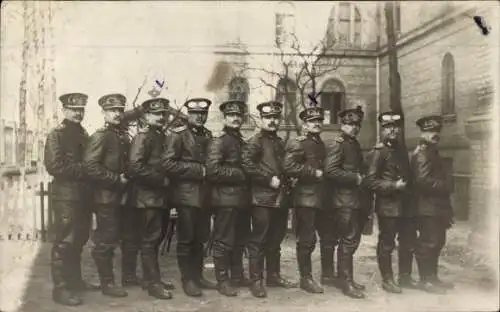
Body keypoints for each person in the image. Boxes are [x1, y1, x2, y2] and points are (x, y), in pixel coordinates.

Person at [43, 92, 100, 306]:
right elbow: (54, 166)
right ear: (64, 110)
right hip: (66, 196)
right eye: (74, 109)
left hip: (83, 197)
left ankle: (75, 282)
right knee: (64, 242)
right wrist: (84, 170)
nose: (78, 113)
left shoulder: (84, 134)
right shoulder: (56, 135)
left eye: (81, 109)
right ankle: (61, 289)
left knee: (79, 241)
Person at [161, 98, 217, 297]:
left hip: (205, 197)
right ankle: (188, 280)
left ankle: (198, 276)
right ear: (188, 114)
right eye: (195, 114)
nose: (199, 117)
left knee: (201, 238)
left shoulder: (208, 135)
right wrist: (196, 170)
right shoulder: (178, 136)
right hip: (186, 196)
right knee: (186, 239)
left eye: (203, 114)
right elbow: (167, 164)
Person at [242, 101, 296, 298]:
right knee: (258, 240)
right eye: (268, 117)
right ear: (261, 119)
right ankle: (256, 281)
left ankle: (273, 276)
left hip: (279, 198)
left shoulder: (279, 142)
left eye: (275, 117)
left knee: (275, 239)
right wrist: (266, 179)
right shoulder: (255, 141)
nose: (272, 121)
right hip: (262, 199)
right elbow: (246, 164)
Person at [83, 93, 132, 298]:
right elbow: (90, 166)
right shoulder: (101, 135)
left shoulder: (121, 135)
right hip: (105, 197)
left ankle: (118, 279)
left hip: (120, 197)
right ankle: (107, 282)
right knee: (105, 240)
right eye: (113, 110)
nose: (117, 114)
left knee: (117, 238)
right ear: (104, 112)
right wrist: (115, 179)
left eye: (120, 110)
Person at [127, 98, 173, 300]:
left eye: (163, 114)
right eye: (156, 114)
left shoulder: (162, 137)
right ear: (145, 116)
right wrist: (160, 180)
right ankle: (153, 283)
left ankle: (150, 278)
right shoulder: (142, 137)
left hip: (160, 198)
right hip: (147, 198)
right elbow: (134, 167)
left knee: (155, 239)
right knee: (150, 240)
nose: (161, 117)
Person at [365, 111, 415, 294]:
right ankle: (387, 279)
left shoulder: (402, 151)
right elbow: (370, 181)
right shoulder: (379, 152)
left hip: (406, 206)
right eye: (388, 127)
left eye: (395, 126)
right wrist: (394, 185)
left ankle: (405, 277)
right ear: (382, 130)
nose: (392, 130)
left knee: (408, 241)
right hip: (388, 207)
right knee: (387, 243)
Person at [206, 100, 251, 297]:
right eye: (231, 115)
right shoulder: (219, 140)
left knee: (240, 239)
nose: (235, 118)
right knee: (223, 241)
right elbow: (212, 171)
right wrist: (240, 174)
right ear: (224, 118)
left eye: (239, 115)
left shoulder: (240, 140)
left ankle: (237, 275)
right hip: (225, 200)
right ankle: (222, 280)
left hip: (241, 200)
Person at [324, 106, 367, 299]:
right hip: (343, 200)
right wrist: (354, 178)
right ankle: (346, 282)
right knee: (348, 240)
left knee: (350, 240)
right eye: (350, 124)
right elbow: (330, 170)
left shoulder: (353, 143)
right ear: (343, 124)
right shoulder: (338, 143)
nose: (354, 127)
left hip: (353, 200)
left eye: (357, 124)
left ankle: (344, 277)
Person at [283, 105, 326, 294]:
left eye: (319, 120)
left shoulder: (320, 143)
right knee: (306, 240)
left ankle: (325, 275)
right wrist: (312, 172)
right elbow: (288, 166)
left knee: (320, 239)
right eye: (312, 121)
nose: (316, 124)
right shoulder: (297, 143)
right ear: (305, 125)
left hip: (320, 199)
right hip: (305, 199)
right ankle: (305, 278)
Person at [411, 115, 454, 294]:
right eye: (429, 131)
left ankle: (433, 277)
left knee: (437, 242)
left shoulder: (432, 151)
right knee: (428, 243)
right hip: (427, 207)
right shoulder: (422, 152)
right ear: (423, 133)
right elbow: (422, 181)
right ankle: (425, 280)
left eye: (436, 131)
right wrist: (445, 186)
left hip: (437, 206)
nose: (434, 134)